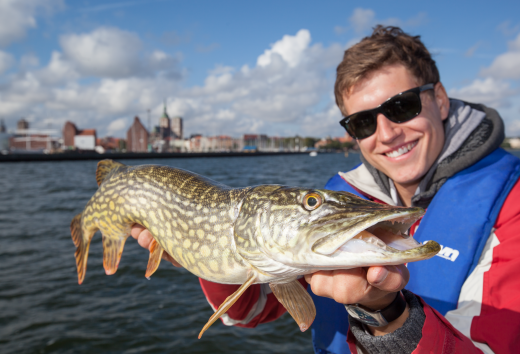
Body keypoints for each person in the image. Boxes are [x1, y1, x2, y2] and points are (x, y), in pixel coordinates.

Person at [132, 26, 520, 353]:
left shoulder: (512, 206)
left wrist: (388, 315)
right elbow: (250, 312)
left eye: (401, 107)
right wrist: (205, 254)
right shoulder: (340, 201)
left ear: (439, 100)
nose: (386, 134)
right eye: (363, 123)